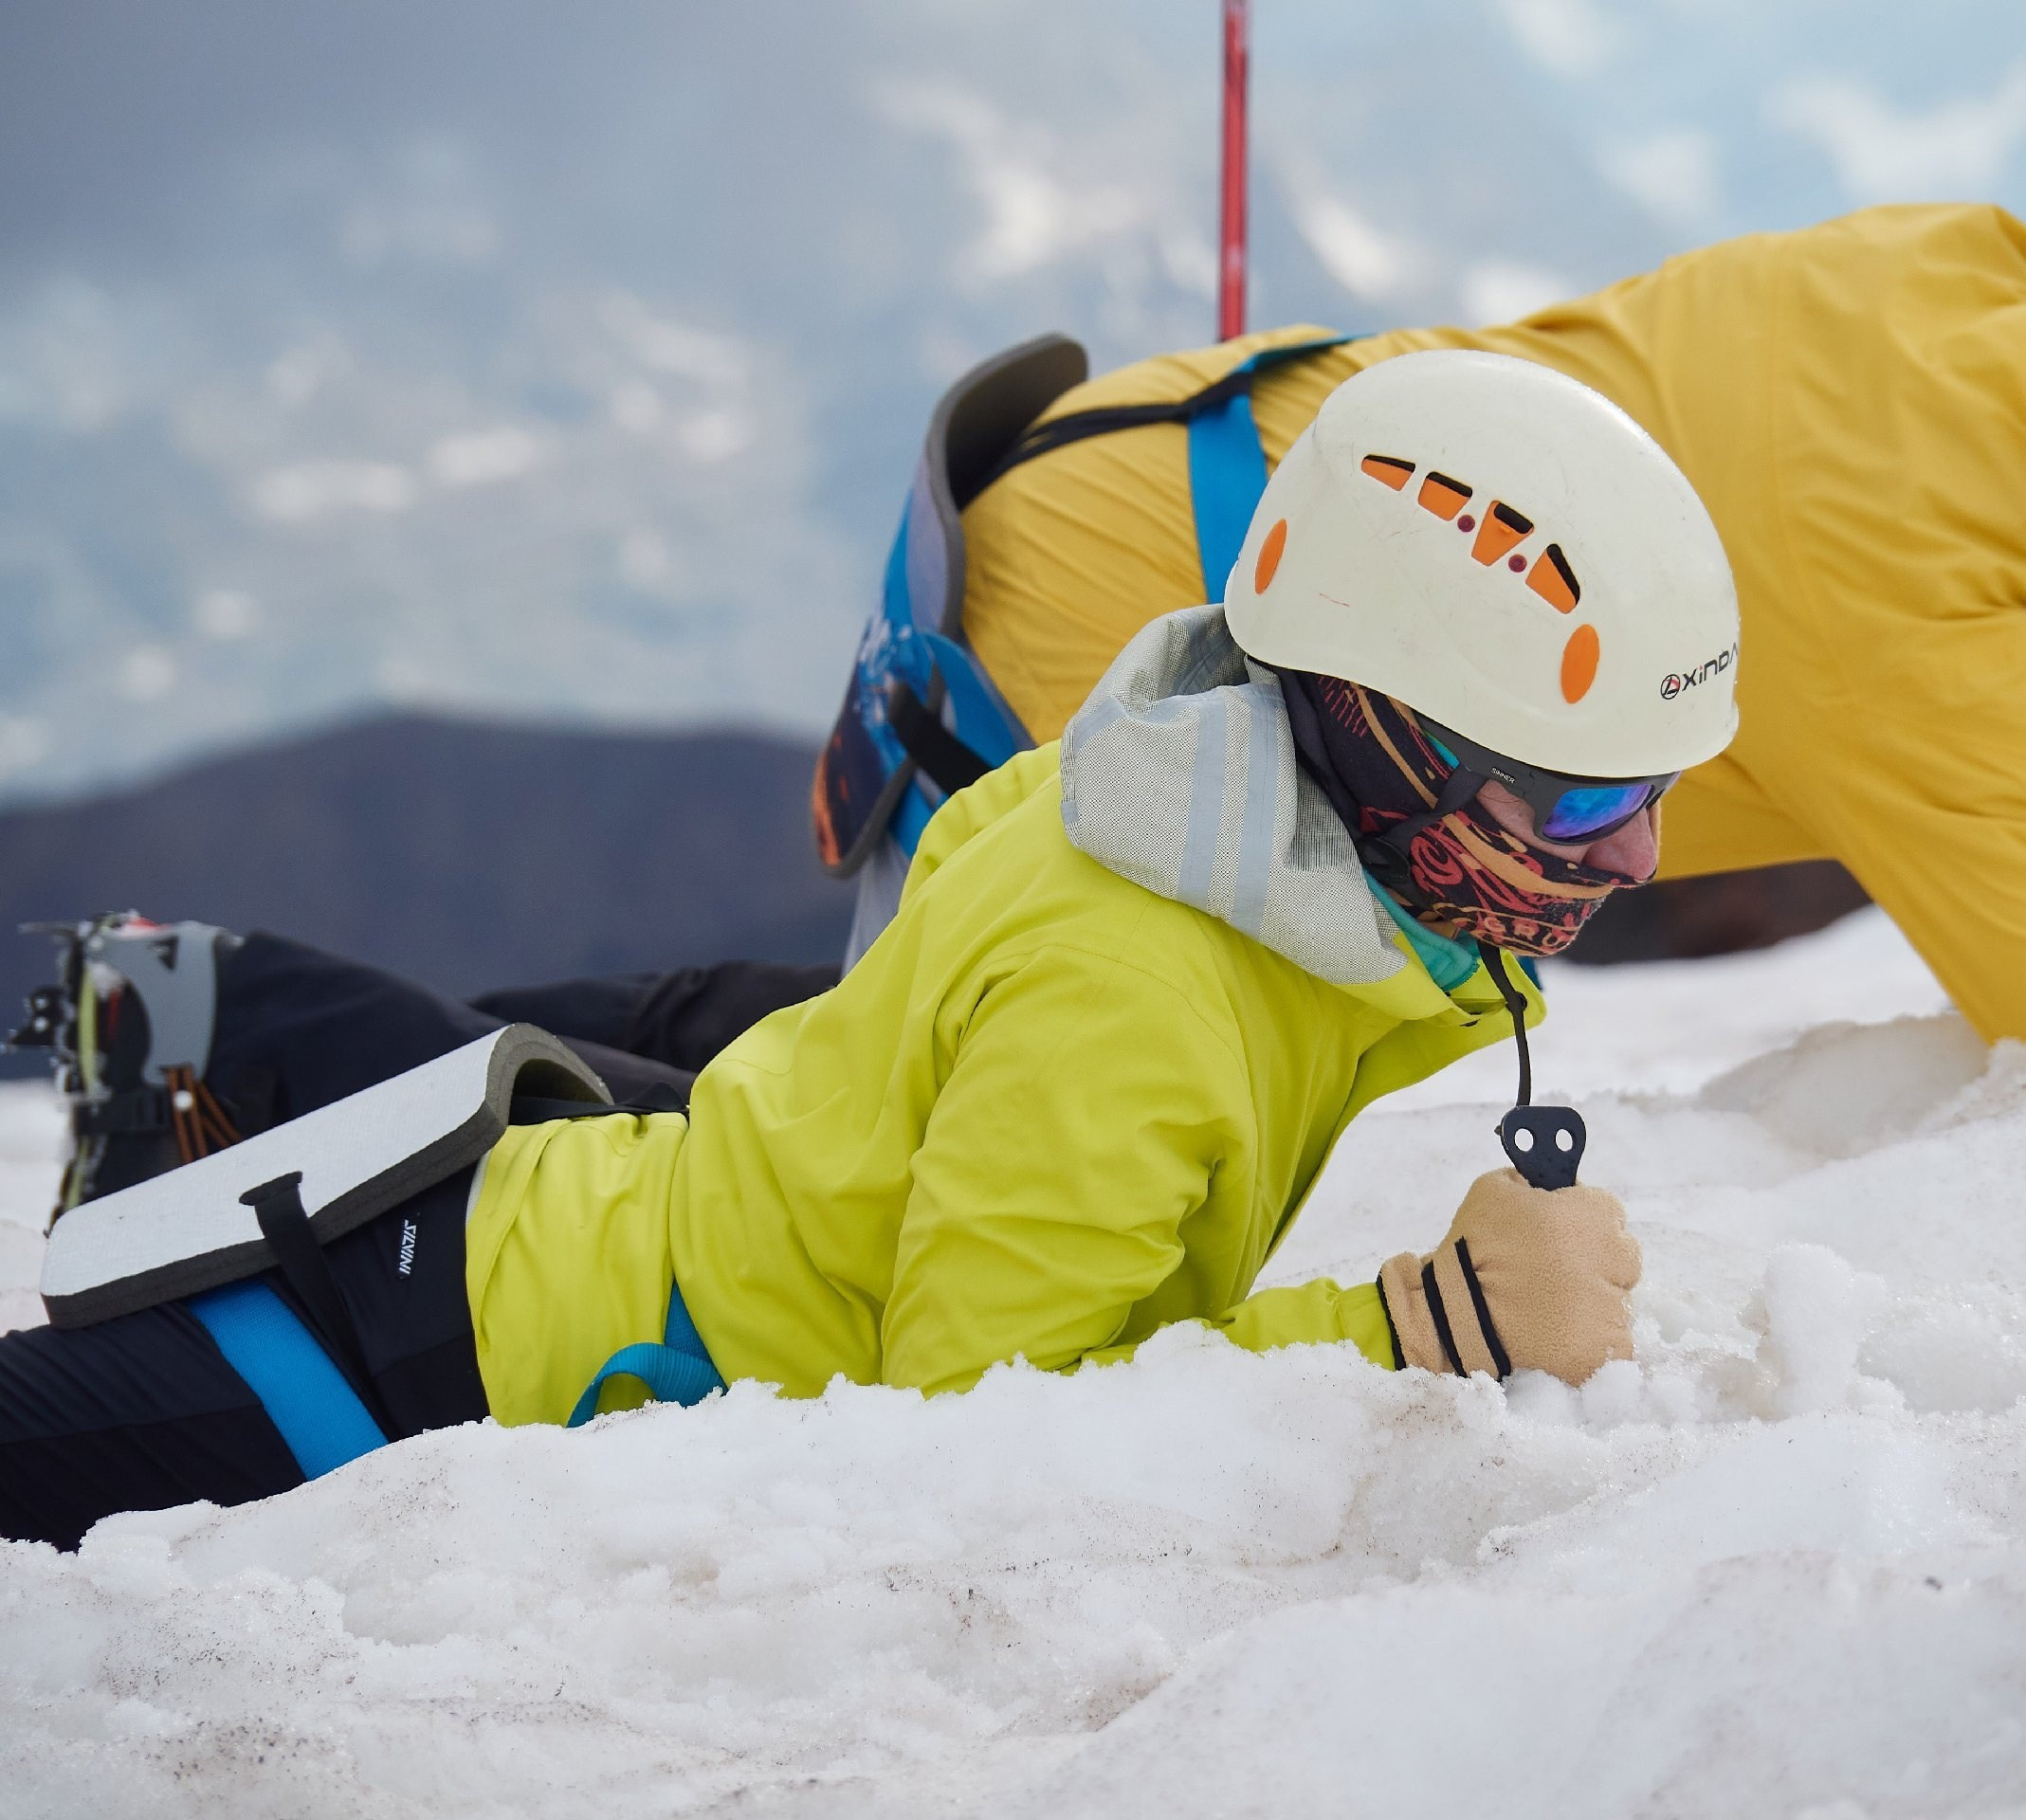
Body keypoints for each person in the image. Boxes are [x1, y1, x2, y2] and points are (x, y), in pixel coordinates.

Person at [1, 352, 1719, 1549]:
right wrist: (1420, 1327)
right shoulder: (1139, 993)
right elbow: (977, 1425)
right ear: (1388, 730)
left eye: (1649, 791)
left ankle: (189, 1018)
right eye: (1580, 799)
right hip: (456, 1360)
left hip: (570, 1228)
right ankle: (179, 1027)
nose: (1636, 852)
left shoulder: (1160, 775)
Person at [936, 205, 2026, 1130]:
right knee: (1007, 1104)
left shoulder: (1971, 274)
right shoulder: (1950, 651)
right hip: (1098, 662)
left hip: (1148, 448)